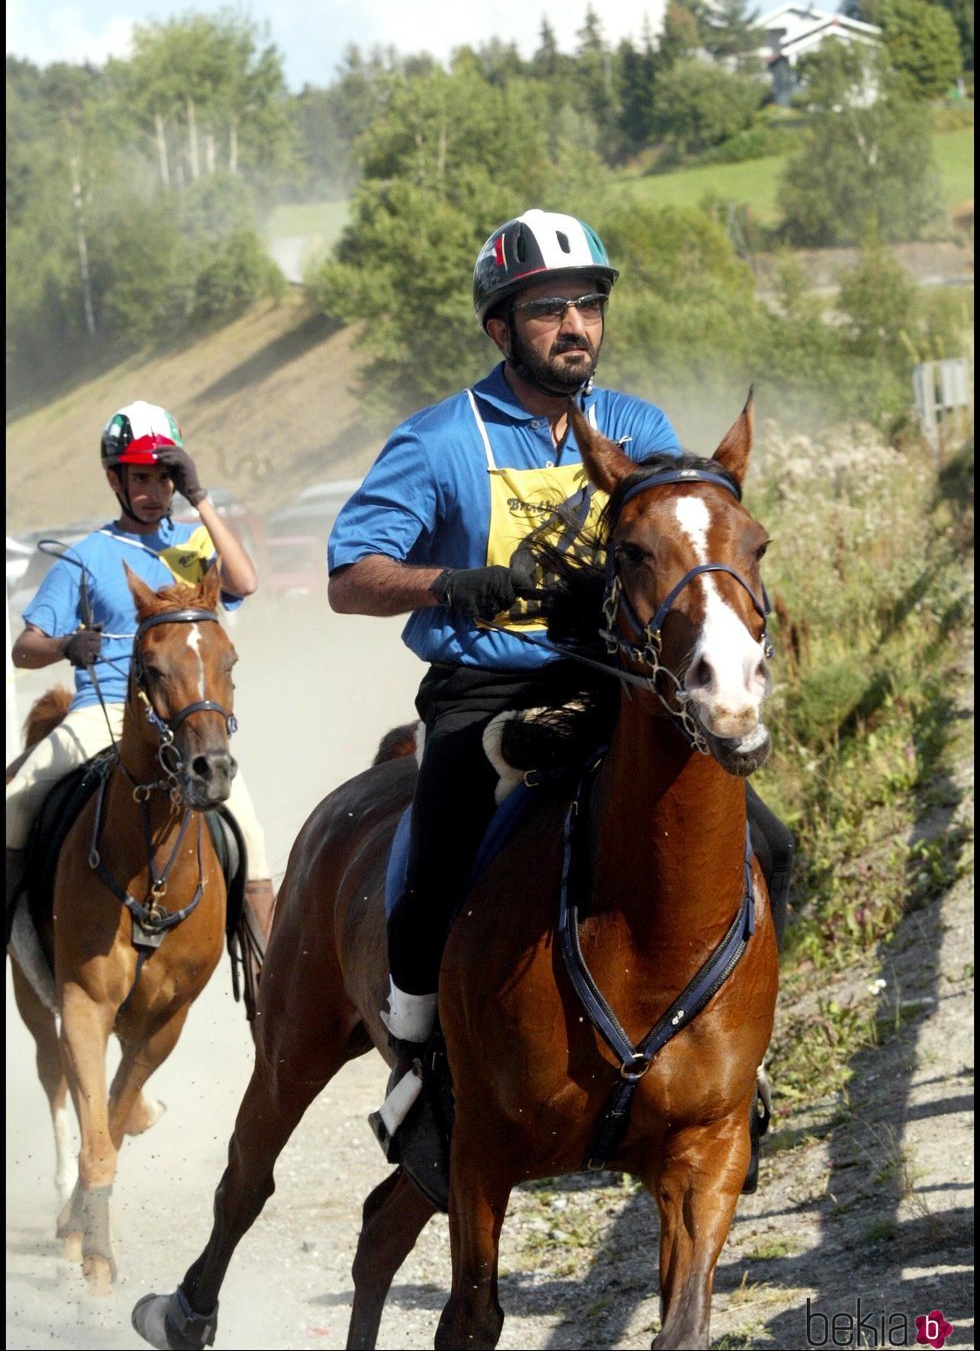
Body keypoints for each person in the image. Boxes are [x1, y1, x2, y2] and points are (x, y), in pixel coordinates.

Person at [327, 209, 793, 1147]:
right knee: (440, 851)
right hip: (486, 689)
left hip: (618, 687)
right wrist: (458, 582)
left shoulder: (636, 425)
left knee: (768, 845)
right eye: (549, 309)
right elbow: (350, 578)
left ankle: (740, 1052)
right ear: (500, 327)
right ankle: (421, 1059)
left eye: (588, 304)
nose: (576, 323)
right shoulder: (437, 439)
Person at [6, 401, 276, 948]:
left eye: (165, 477)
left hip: (189, 721)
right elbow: (23, 650)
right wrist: (64, 644)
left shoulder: (195, 547)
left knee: (252, 837)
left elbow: (244, 583)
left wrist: (200, 498)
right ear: (116, 479)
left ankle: (269, 981)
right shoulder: (86, 557)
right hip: (101, 710)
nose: (154, 489)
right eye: (141, 477)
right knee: (16, 804)